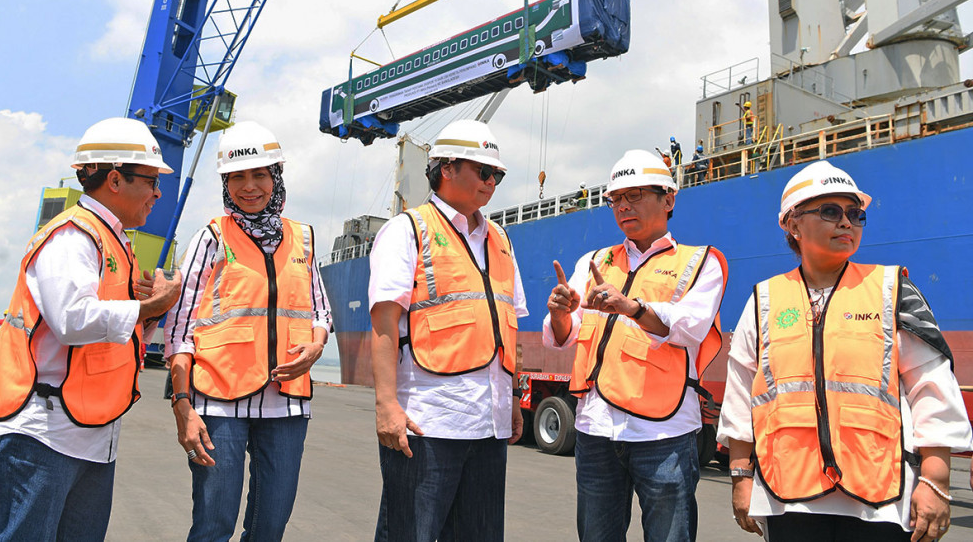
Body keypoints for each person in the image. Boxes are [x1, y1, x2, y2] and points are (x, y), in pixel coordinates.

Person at [717, 161, 972, 541]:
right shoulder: (763, 300)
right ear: (792, 224)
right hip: (789, 494)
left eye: (855, 214)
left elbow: (932, 388)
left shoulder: (892, 291)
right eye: (830, 211)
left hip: (880, 496)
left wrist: (935, 480)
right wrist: (740, 474)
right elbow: (740, 392)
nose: (846, 223)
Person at [0, 117, 182, 542]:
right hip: (44, 434)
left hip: (90, 433)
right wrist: (154, 303)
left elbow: (115, 333)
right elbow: (71, 320)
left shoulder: (114, 241)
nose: (158, 193)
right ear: (116, 180)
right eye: (151, 180)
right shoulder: (73, 236)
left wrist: (149, 314)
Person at [545, 149, 728, 542]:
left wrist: (632, 307)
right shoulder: (593, 261)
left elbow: (691, 326)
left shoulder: (701, 262)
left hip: (664, 434)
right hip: (595, 429)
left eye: (636, 195)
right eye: (616, 199)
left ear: (669, 199)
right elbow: (564, 335)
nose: (624, 206)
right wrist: (560, 313)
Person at [164, 121, 332, 542]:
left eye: (259, 175)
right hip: (218, 403)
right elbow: (180, 329)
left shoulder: (304, 238)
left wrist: (316, 345)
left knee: (270, 525)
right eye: (237, 177)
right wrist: (183, 407)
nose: (249, 186)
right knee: (213, 524)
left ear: (276, 177)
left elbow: (321, 313)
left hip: (286, 406)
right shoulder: (212, 237)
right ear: (225, 182)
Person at [369, 119, 527, 542]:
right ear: (447, 169)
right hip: (427, 424)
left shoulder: (502, 241)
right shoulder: (407, 230)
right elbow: (384, 324)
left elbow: (507, 330)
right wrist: (386, 405)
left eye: (498, 174)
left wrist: (511, 400)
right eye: (484, 171)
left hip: (488, 426)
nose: (492, 182)